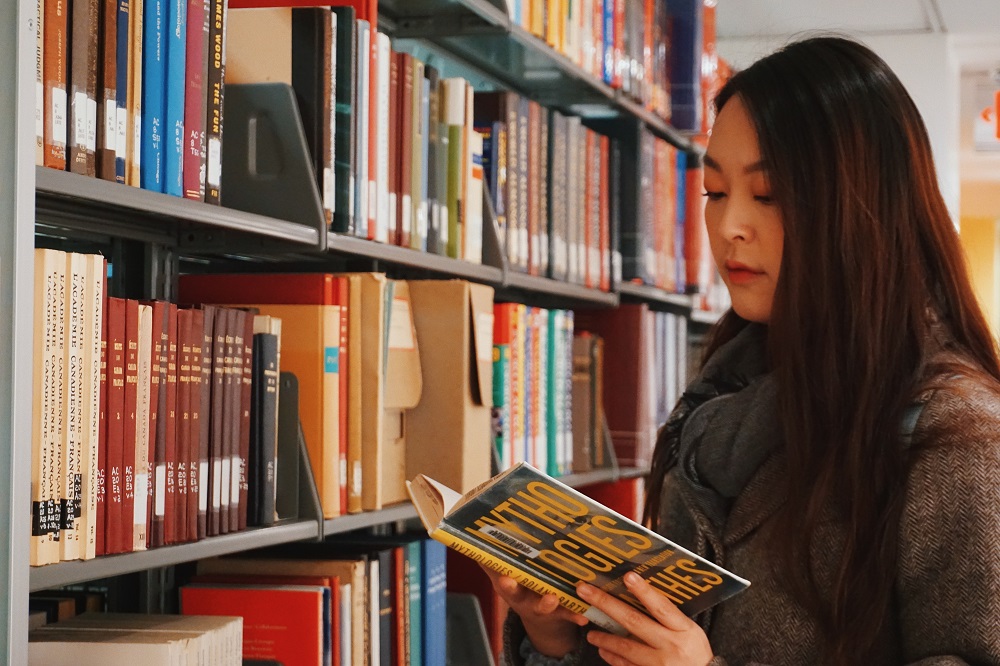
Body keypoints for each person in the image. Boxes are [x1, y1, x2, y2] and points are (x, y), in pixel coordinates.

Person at [490, 35, 1000, 666]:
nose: (729, 225)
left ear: (862, 208)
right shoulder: (721, 399)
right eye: (714, 192)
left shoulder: (957, 436)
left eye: (769, 195)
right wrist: (560, 634)